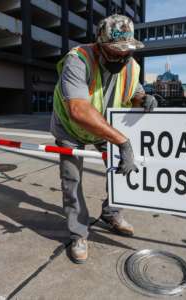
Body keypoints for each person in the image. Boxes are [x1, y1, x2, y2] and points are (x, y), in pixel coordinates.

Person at [50, 14, 158, 263]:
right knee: (72, 180)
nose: (121, 58)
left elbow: (134, 92)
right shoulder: (78, 60)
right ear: (99, 45)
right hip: (71, 128)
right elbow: (77, 110)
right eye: (114, 51)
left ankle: (112, 213)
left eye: (126, 52)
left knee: (119, 170)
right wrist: (122, 141)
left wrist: (144, 99)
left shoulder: (131, 67)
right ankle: (78, 232)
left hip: (103, 127)